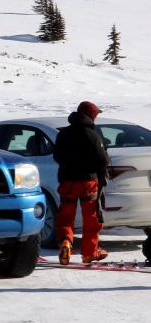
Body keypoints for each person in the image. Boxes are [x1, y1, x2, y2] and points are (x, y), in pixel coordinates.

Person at [53, 101, 111, 265]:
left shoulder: (63, 134)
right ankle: (89, 253)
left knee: (65, 216)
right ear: (91, 116)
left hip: (67, 180)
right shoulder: (92, 135)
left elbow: (57, 157)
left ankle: (65, 242)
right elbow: (103, 161)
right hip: (88, 182)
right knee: (92, 219)